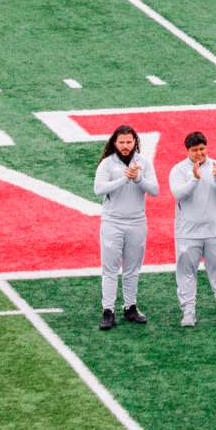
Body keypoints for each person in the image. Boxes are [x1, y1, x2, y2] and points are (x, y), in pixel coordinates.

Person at [169, 131, 216, 326]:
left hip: (215, 231)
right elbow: (178, 194)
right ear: (188, 150)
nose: (200, 153)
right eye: (195, 150)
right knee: (186, 273)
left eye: (202, 149)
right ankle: (188, 313)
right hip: (187, 233)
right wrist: (194, 179)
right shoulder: (178, 170)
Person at [94, 125, 159, 330]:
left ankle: (130, 306)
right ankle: (108, 310)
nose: (125, 146)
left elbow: (155, 190)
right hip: (112, 221)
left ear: (135, 142)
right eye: (121, 142)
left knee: (132, 268)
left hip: (137, 221)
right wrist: (124, 179)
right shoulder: (107, 163)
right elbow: (98, 189)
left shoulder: (143, 163)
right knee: (110, 269)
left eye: (129, 142)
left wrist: (138, 178)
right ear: (115, 142)